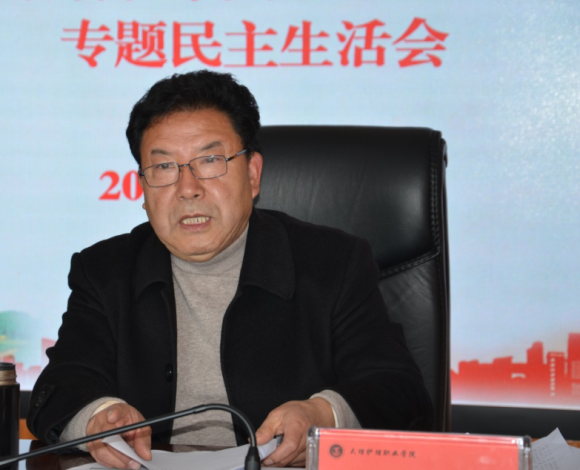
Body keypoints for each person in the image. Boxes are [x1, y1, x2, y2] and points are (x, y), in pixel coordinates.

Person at [27, 70, 433, 468]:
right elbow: (60, 387)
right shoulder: (105, 271)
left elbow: (399, 391)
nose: (188, 189)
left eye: (210, 160)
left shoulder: (333, 263)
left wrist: (320, 415)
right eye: (164, 168)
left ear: (253, 174)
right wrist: (99, 415)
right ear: (143, 188)